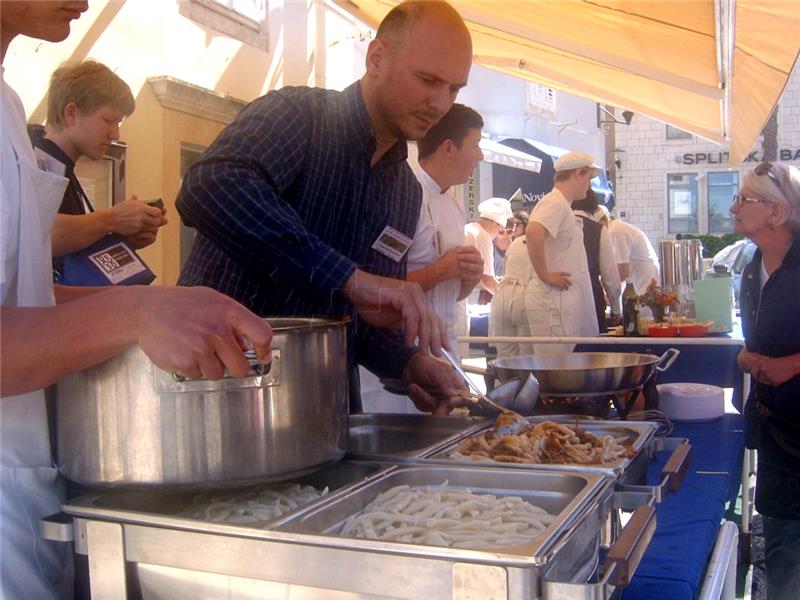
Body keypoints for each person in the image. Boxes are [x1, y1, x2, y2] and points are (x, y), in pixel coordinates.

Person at [1, 4, 272, 597]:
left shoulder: (8, 105)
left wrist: (164, 307)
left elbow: (24, 294)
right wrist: (135, 312)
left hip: (25, 476)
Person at [176, 1, 473, 414]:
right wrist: (349, 277)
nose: (440, 104)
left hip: (322, 412)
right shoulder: (298, 116)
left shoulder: (404, 192)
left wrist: (410, 365)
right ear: (376, 58)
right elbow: (209, 187)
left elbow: (362, 319)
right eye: (427, 80)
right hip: (219, 394)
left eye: (454, 89)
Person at [360, 103, 484, 412]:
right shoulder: (402, 195)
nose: (480, 156)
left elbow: (454, 293)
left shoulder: (454, 206)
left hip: (444, 351)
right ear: (448, 148)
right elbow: (372, 290)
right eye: (476, 145)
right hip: (395, 359)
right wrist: (443, 269)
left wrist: (468, 278)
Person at [733, 161, 800, 600]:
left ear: (776, 212)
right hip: (777, 431)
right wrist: (744, 356)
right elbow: (751, 344)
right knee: (781, 540)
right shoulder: (751, 271)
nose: (734, 207)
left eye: (745, 200)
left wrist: (794, 364)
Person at [31, 60, 166, 269]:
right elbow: (34, 235)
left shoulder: (62, 168)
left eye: (118, 123)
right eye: (108, 120)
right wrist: (113, 219)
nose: (115, 134)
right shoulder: (31, 163)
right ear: (71, 113)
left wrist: (125, 241)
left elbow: (68, 259)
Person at [524, 151, 599, 355]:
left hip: (556, 301)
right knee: (556, 368)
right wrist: (545, 274)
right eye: (588, 178)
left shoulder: (561, 204)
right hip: (551, 302)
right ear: (577, 173)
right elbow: (533, 231)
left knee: (561, 366)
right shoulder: (554, 202)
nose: (589, 185)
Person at [572, 191, 621, 331]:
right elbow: (610, 275)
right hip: (592, 299)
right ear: (595, 208)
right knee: (593, 350)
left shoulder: (555, 227)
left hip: (559, 300)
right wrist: (615, 308)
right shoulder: (598, 230)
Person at [489, 234, 535, 357]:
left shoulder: (515, 243)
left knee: (505, 358)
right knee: (528, 357)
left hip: (502, 295)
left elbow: (506, 268)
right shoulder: (541, 241)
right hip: (523, 296)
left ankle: (506, 377)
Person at [464, 197, 513, 298]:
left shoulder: (469, 228)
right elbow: (487, 280)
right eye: (500, 231)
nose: (496, 236)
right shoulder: (482, 236)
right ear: (496, 224)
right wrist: (507, 298)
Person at [608, 214, 660, 295]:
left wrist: (606, 289)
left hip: (646, 276)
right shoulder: (616, 228)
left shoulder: (615, 232)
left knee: (650, 304)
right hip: (644, 274)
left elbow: (622, 272)